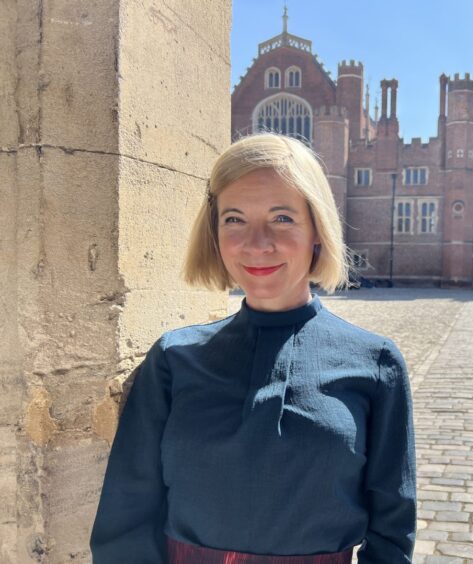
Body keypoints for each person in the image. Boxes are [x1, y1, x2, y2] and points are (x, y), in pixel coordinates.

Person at [90, 133, 416, 563]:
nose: (256, 243)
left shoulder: (376, 363)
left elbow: (392, 530)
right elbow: (126, 516)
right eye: (235, 219)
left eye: (282, 218)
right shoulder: (174, 358)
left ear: (317, 229)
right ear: (215, 231)